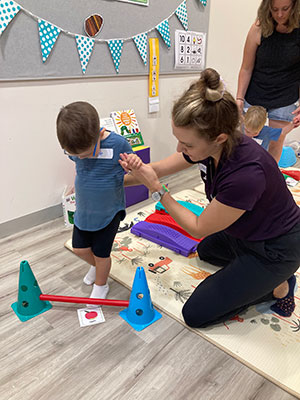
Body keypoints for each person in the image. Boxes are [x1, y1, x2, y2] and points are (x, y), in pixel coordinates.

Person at [120, 68, 300, 328]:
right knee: (205, 250)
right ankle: (257, 276)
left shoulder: (246, 174)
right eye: (179, 140)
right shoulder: (210, 146)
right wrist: (113, 182)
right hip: (245, 233)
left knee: (195, 313)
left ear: (219, 138)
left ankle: (278, 285)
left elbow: (198, 225)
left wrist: (159, 190)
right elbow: (155, 169)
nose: (180, 149)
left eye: (187, 144)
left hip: (276, 249)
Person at [56, 101, 136, 302]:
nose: (80, 157)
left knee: (102, 254)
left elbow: (135, 166)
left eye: (85, 153)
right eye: (75, 155)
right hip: (85, 210)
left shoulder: (118, 144)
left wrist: (133, 164)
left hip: (109, 211)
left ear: (99, 134)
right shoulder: (77, 148)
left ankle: (102, 284)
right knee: (80, 248)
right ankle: (97, 267)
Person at [236, 0, 300, 162]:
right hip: (256, 92)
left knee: (275, 142)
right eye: (274, 9)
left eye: (285, 9)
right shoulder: (258, 28)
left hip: (285, 95)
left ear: (295, 6)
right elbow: (246, 68)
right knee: (246, 140)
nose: (279, 14)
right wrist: (239, 98)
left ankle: (268, 180)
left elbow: (280, 134)